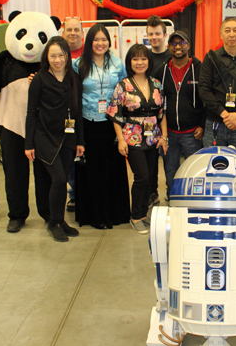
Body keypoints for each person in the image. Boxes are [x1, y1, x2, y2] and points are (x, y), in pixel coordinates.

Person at [25, 36, 84, 242]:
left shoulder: (74, 78)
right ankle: (53, 221)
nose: (57, 59)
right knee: (58, 179)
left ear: (67, 56)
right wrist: (28, 144)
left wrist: (80, 141)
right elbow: (31, 113)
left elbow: (77, 112)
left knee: (62, 179)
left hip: (68, 137)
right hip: (45, 138)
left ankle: (60, 220)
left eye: (61, 55)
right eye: (53, 55)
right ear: (46, 57)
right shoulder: (40, 79)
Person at [73, 24, 130, 229]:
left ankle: (115, 214)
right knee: (91, 170)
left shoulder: (117, 63)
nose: (100, 43)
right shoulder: (78, 64)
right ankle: (94, 215)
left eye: (103, 39)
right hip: (88, 123)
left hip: (112, 124)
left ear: (109, 41)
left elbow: (125, 90)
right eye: (96, 39)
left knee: (112, 169)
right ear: (89, 42)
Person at [106, 44, 168, 235]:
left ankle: (143, 214)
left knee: (150, 178)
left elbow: (162, 113)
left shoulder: (156, 84)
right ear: (129, 62)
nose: (140, 62)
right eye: (135, 59)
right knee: (141, 177)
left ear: (149, 61)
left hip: (153, 138)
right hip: (132, 137)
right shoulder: (123, 85)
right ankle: (136, 216)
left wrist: (164, 137)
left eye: (143, 59)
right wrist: (121, 140)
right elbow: (116, 114)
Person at [198, 17, 236, 157]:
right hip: (215, 123)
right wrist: (224, 114)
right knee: (212, 166)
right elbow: (204, 89)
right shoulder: (211, 58)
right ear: (221, 34)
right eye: (227, 30)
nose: (232, 34)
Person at [154, 30, 204, 199]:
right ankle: (173, 196)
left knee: (194, 169)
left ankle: (194, 198)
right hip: (169, 133)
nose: (178, 47)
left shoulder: (200, 68)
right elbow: (156, 103)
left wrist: (203, 125)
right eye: (173, 43)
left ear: (188, 45)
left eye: (181, 43)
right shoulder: (161, 71)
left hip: (193, 133)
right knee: (170, 169)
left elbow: (207, 99)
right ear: (168, 47)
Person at [146, 15, 172, 207]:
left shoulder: (173, 56)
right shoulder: (144, 58)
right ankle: (152, 192)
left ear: (165, 34)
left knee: (171, 160)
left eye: (157, 34)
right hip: (151, 119)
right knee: (151, 160)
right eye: (150, 34)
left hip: (174, 116)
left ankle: (173, 192)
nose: (154, 37)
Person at [62, 17, 85, 212]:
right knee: (70, 158)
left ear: (82, 33)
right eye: (69, 29)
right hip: (66, 117)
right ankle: (73, 195)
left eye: (76, 29)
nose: (73, 33)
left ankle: (86, 194)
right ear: (63, 33)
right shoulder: (58, 53)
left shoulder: (91, 53)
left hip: (88, 114)